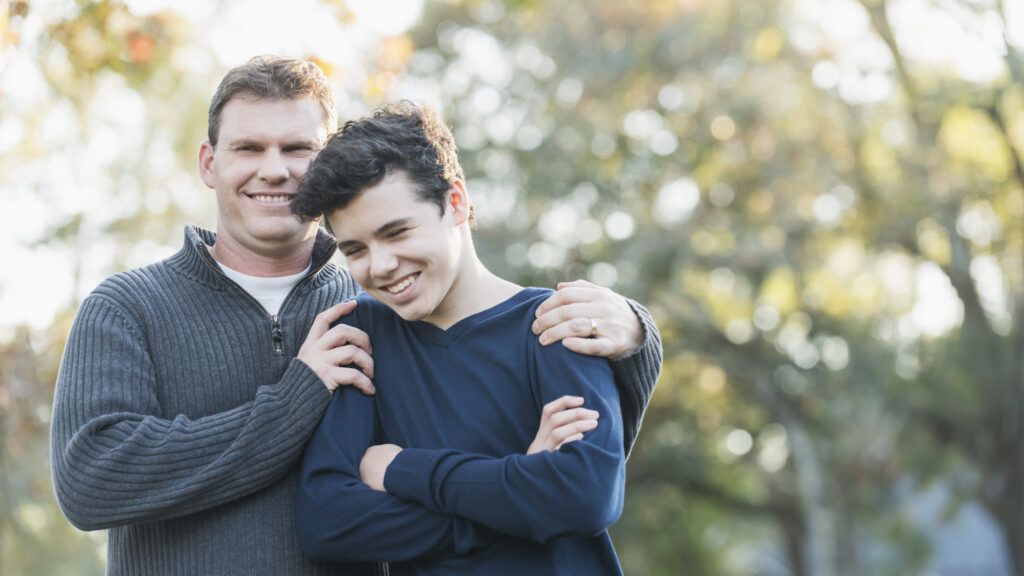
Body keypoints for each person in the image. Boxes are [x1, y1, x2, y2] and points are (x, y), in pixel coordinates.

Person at [50, 56, 661, 576]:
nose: (274, 169)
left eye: (297, 149)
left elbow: (578, 468)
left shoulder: (381, 304)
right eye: (249, 148)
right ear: (210, 163)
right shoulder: (128, 306)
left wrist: (637, 333)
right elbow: (90, 481)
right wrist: (296, 399)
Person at [292, 101, 633, 575]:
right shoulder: (361, 337)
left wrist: (400, 469)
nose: (381, 265)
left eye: (397, 232)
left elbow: (583, 497)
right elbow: (329, 523)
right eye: (356, 249)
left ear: (455, 202)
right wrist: (515, 492)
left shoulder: (556, 323)